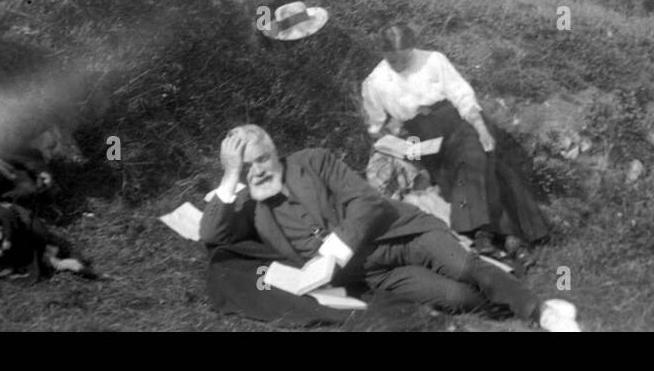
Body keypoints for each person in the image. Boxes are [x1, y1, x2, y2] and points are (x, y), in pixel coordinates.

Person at [198, 125, 580, 331]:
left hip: (401, 232)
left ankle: (540, 311)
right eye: (246, 167)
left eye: (261, 159)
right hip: (375, 274)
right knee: (457, 297)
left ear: (274, 151)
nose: (258, 170)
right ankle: (505, 305)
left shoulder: (311, 161)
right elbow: (212, 237)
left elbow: (366, 201)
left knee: (464, 267)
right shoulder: (248, 202)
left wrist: (332, 253)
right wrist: (230, 178)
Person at [360, 23, 548, 262]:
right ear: (383, 53)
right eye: (392, 60)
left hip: (458, 123)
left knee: (472, 160)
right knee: (473, 177)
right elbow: (376, 126)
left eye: (404, 58)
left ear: (413, 49)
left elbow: (461, 95)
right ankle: (513, 241)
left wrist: (481, 128)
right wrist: (400, 143)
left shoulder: (434, 61)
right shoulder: (374, 82)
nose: (399, 65)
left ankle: (482, 235)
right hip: (421, 138)